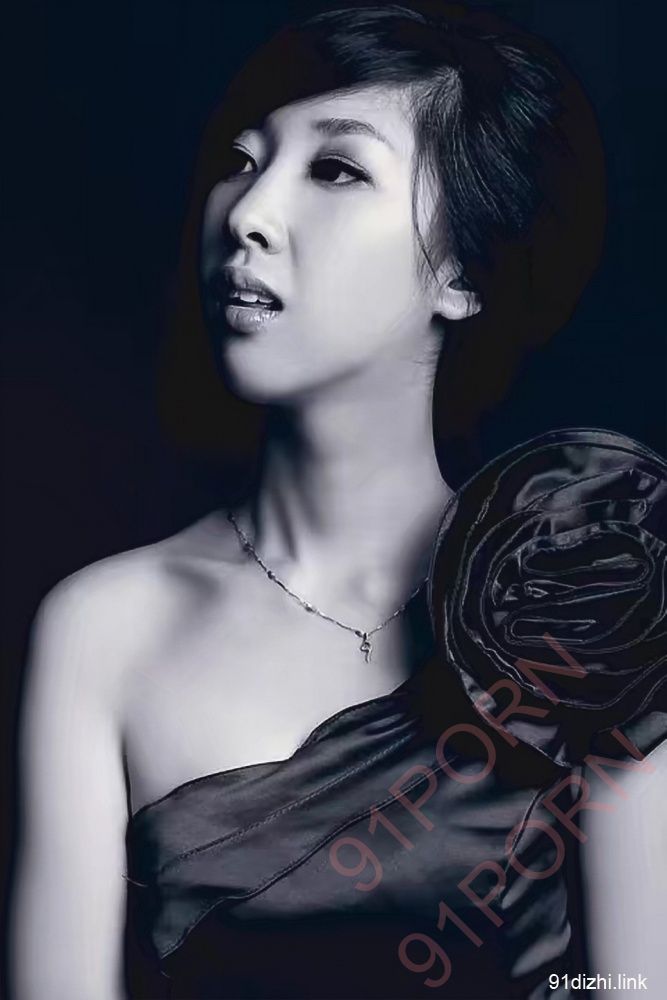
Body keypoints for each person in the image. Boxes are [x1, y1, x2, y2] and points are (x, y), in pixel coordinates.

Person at [9, 3, 667, 998]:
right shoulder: (106, 627)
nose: (246, 211)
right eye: (240, 161)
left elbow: (630, 986)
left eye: (335, 169)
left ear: (462, 272)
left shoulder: (589, 595)